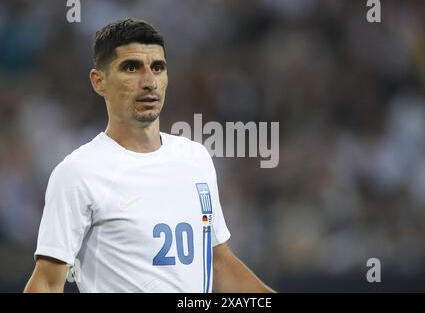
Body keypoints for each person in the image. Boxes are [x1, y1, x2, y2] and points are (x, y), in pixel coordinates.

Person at [24, 18, 274, 293]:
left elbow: (218, 263)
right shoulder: (78, 173)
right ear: (99, 81)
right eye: (131, 68)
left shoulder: (196, 159)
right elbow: (47, 282)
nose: (149, 81)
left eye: (158, 67)